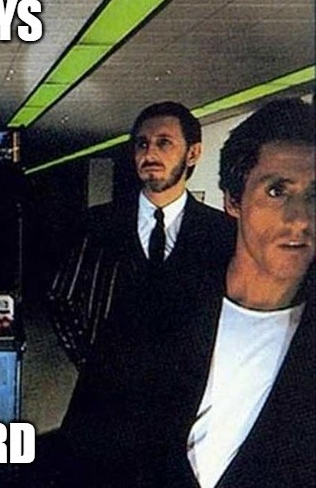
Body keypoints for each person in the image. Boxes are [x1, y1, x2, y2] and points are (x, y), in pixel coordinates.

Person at [57, 97, 314, 486]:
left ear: (192, 154)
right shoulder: (151, 293)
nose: (300, 220)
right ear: (234, 200)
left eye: (315, 195)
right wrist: (98, 360)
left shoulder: (216, 233)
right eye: (277, 191)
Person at [50, 101, 235, 369]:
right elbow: (62, 298)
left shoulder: (222, 232)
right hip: (109, 385)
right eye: (142, 144)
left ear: (193, 153)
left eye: (164, 143)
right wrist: (92, 364)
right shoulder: (97, 223)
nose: (150, 153)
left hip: (188, 385)